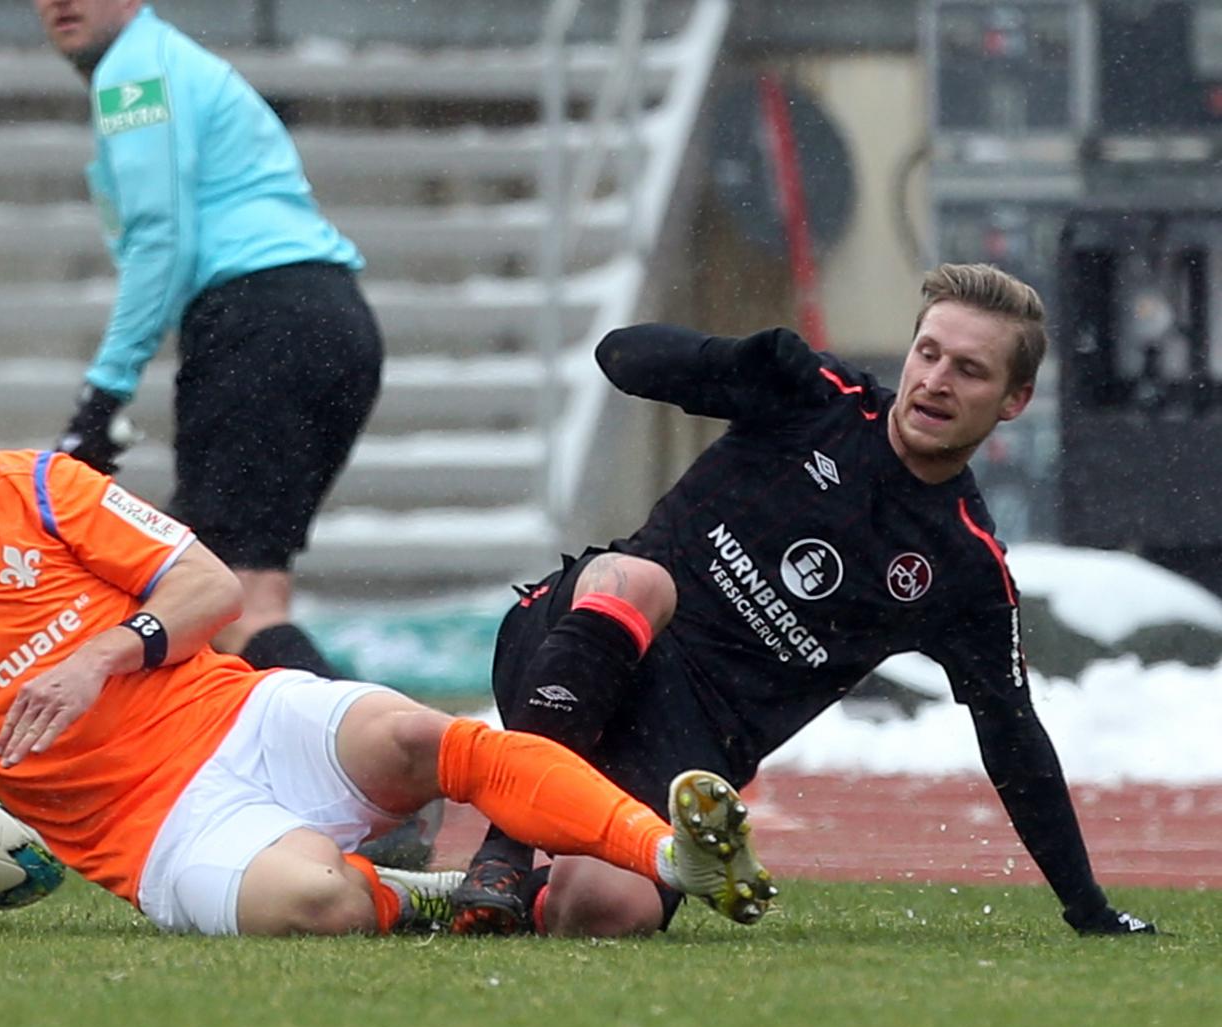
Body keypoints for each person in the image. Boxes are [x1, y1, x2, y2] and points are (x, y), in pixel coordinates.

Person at [0, 326, 772, 937]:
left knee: (418, 737)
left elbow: (211, 586)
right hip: (161, 833)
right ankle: (451, 897)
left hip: (239, 716)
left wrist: (109, 649)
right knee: (314, 902)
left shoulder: (33, 486)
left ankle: (676, 855)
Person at [449, 263, 1158, 940]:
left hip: (682, 748)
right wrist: (734, 363)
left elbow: (1014, 737)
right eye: (929, 354)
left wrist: (1086, 907)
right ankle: (503, 854)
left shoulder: (965, 567)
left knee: (606, 909)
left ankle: (441, 898)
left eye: (968, 370)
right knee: (640, 579)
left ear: (1014, 400)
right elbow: (620, 356)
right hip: (574, 651)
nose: (937, 382)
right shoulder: (812, 397)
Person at [30, 0, 380, 682]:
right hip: (322, 317)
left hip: (265, 326)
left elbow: (161, 239)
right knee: (231, 587)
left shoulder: (134, 74)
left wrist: (103, 393)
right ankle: (370, 762)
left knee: (226, 601)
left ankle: (396, 762)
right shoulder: (164, 63)